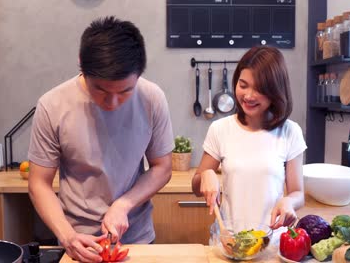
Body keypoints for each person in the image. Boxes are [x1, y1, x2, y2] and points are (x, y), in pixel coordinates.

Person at [28, 16, 174, 262]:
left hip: (137, 238)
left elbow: (162, 167)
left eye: (125, 91)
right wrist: (67, 236)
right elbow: (38, 183)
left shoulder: (152, 99)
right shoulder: (52, 105)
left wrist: (123, 205)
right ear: (81, 65)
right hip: (76, 241)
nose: (113, 102)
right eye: (101, 90)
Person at [192, 46, 307, 234]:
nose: (248, 96)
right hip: (230, 240)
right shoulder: (220, 129)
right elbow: (196, 187)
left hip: (271, 241)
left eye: (259, 89)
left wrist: (289, 201)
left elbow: (298, 194)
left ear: (275, 91)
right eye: (243, 85)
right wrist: (205, 175)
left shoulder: (290, 132)